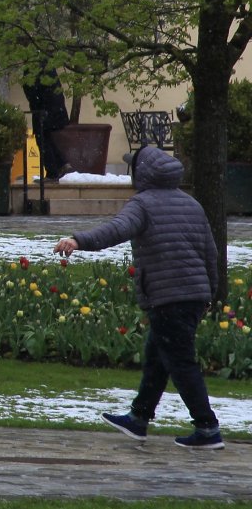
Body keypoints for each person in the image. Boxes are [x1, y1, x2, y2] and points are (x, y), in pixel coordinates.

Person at [54, 145, 223, 449]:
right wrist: (209, 292)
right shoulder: (192, 204)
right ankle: (139, 418)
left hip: (168, 296)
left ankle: (207, 428)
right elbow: (211, 253)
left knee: (180, 363)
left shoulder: (143, 204)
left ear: (142, 174)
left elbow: (116, 230)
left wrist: (78, 240)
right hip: (192, 296)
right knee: (158, 357)